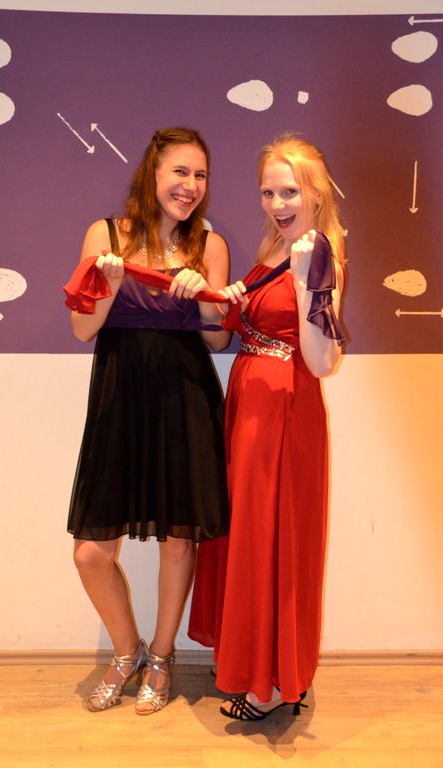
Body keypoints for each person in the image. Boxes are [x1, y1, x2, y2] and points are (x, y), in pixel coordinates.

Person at [65, 127, 231, 716]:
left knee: (177, 542)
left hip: (184, 398)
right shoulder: (105, 235)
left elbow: (217, 339)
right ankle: (125, 651)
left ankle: (160, 657)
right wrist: (110, 286)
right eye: (180, 172)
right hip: (120, 399)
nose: (190, 185)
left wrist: (204, 294)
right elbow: (84, 328)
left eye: (200, 175)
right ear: (152, 173)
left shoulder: (209, 244)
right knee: (91, 552)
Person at [188, 133, 346, 721]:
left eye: (290, 191)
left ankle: (273, 682)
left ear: (316, 193)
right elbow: (227, 331)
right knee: (251, 534)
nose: (278, 203)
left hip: (284, 411)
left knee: (275, 537)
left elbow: (322, 362)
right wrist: (206, 295)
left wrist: (306, 284)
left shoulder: (320, 256)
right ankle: (255, 664)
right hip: (249, 406)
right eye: (268, 191)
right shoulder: (274, 248)